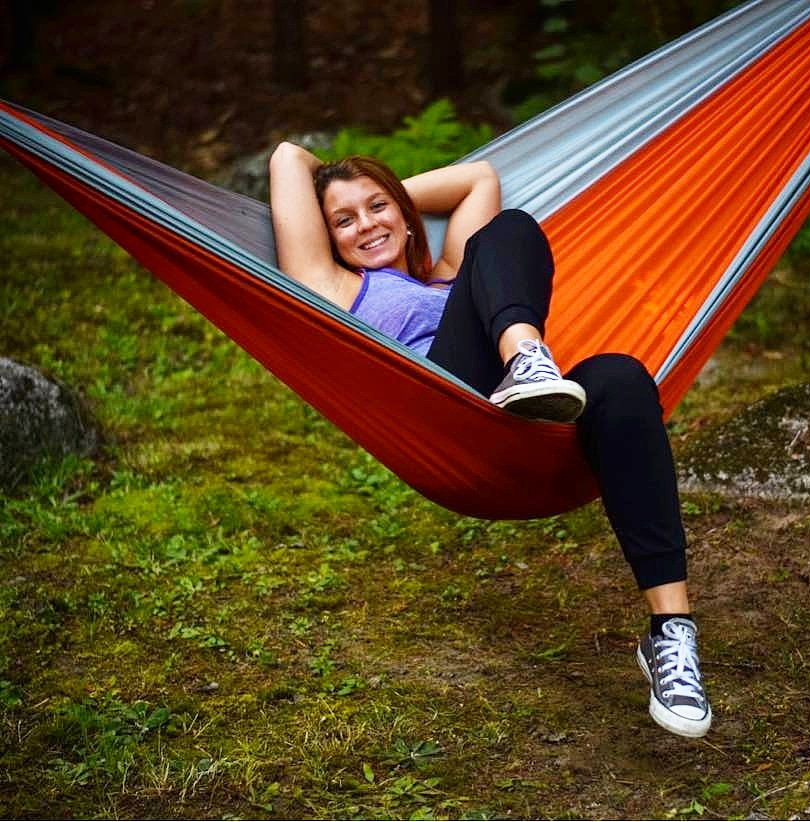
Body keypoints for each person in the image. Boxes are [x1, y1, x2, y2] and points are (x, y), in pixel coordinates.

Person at [269, 143, 712, 738]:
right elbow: (287, 156)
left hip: (524, 415)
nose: (366, 225)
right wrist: (355, 189)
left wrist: (384, 197)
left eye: (378, 208)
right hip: (451, 412)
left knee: (621, 376)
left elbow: (479, 179)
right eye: (343, 221)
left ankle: (671, 633)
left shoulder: (456, 272)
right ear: (328, 240)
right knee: (497, 236)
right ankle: (524, 362)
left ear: (404, 214)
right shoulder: (335, 288)